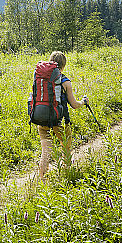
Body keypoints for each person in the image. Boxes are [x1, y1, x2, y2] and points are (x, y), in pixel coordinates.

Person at [37, 50, 88, 180]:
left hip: (42, 118)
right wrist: (83, 101)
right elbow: (74, 104)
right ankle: (66, 174)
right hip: (60, 121)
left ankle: (42, 178)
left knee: (46, 150)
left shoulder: (41, 78)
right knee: (66, 147)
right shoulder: (65, 81)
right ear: (63, 65)